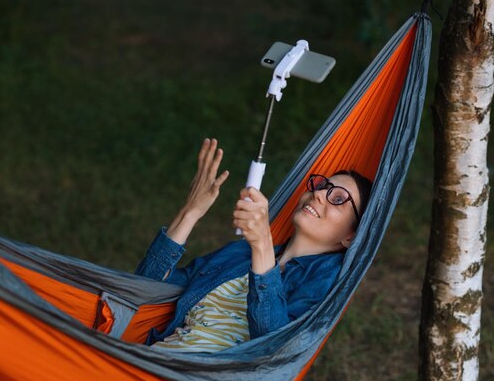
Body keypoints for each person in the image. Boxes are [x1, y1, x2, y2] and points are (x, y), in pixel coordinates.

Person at [136, 138, 372, 352]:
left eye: (338, 199)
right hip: (157, 360)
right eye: (322, 187)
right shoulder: (239, 254)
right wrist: (190, 213)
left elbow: (272, 351)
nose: (319, 195)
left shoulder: (326, 281)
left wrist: (262, 245)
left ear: (351, 237)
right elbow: (144, 290)